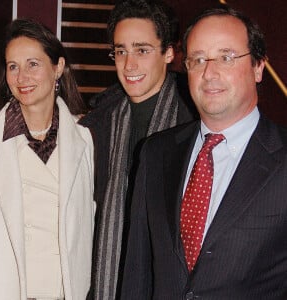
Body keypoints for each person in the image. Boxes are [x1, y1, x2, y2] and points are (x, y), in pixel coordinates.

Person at [121, 6, 287, 300]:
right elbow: (137, 272)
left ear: (258, 67)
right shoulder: (155, 153)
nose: (209, 73)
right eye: (198, 60)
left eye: (226, 57)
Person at [79, 0, 195, 298]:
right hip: (108, 282)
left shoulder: (194, 122)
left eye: (142, 50)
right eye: (121, 51)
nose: (129, 65)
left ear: (169, 52)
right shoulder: (98, 125)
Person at [0, 19, 95, 299]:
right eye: (13, 67)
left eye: (33, 64)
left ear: (58, 67)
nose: (22, 77)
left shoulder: (85, 140)